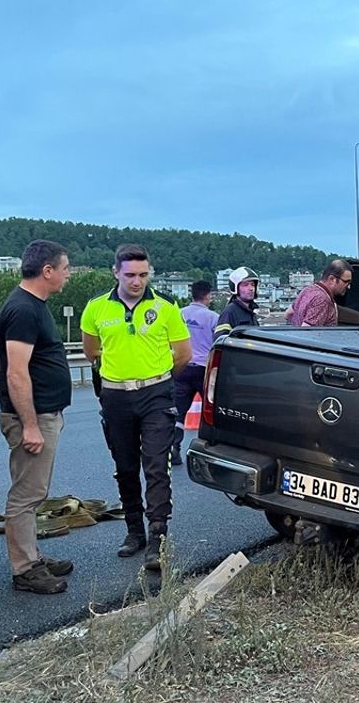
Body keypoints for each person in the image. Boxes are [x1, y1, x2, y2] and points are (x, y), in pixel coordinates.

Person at [81, 244, 191, 571]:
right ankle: (134, 531)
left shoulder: (166, 306)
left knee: (157, 465)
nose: (137, 281)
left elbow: (183, 353)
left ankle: (158, 535)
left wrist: (160, 378)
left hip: (156, 393)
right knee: (126, 466)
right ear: (116, 272)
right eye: (130, 275)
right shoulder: (96, 308)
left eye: (143, 274)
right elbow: (91, 352)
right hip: (116, 396)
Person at [0, 240, 73, 594]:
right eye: (66, 268)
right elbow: (16, 373)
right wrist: (29, 425)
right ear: (48, 271)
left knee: (34, 491)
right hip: (32, 417)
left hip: (43, 413)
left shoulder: (34, 305)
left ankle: (32, 556)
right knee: (26, 494)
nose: (68, 275)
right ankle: (24, 569)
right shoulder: (24, 310)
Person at [171, 280, 219, 467]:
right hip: (204, 369)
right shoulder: (213, 317)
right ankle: (210, 453)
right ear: (207, 296)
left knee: (178, 412)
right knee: (210, 412)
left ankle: (174, 449)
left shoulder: (179, 314)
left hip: (182, 366)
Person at [287, 259, 352, 327]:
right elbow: (307, 331)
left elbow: (288, 314)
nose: (349, 286)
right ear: (332, 279)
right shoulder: (322, 300)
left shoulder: (307, 290)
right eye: (346, 282)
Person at [213, 267, 260, 342]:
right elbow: (220, 340)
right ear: (235, 288)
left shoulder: (251, 313)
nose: (251, 288)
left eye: (252, 284)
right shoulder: (229, 312)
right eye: (245, 285)